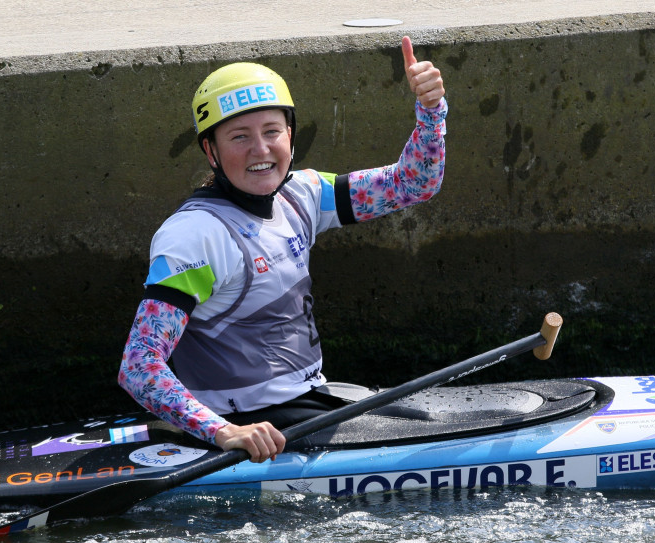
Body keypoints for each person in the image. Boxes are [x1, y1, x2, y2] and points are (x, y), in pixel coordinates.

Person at [118, 37, 446, 463]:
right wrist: (223, 432)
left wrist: (431, 110)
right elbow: (139, 366)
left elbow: (413, 183)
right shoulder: (195, 235)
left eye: (272, 131)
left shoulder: (303, 194)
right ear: (210, 151)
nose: (260, 150)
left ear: (290, 136)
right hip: (243, 424)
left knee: (419, 418)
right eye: (239, 137)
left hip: (306, 399)